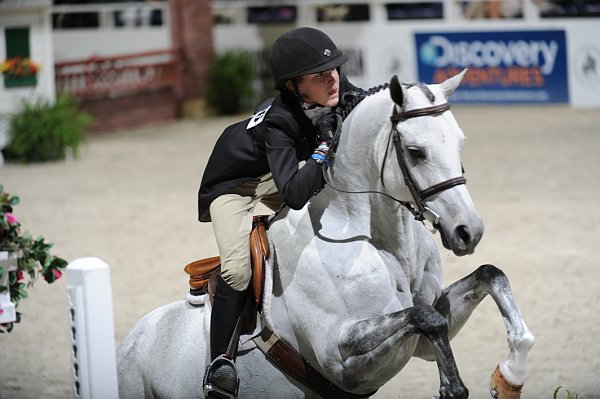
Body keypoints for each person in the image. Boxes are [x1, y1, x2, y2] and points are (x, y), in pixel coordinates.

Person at [198, 27, 366, 398]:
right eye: (320, 75)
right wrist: (323, 146)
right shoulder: (279, 120)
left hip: (278, 173)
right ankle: (218, 366)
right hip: (233, 185)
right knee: (238, 267)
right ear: (293, 85)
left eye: (335, 69)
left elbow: (370, 102)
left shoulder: (335, 83)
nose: (333, 78)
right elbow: (294, 193)